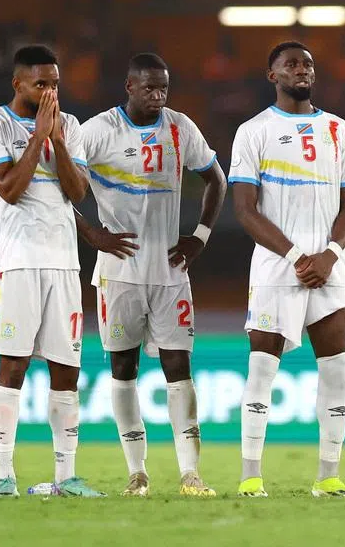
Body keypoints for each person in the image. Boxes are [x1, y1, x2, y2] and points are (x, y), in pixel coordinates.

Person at [76, 53, 227, 497]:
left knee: (178, 367)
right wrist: (92, 234)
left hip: (170, 272)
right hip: (119, 273)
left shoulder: (180, 126)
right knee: (124, 367)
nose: (158, 95)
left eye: (164, 87)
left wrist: (200, 235)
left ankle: (190, 474)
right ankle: (136, 472)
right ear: (129, 85)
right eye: (149, 88)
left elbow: (216, 179)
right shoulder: (99, 131)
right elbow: (60, 182)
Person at [228, 41, 345, 498]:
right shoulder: (253, 131)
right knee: (262, 371)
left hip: (330, 267)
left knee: (337, 372)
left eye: (308, 63)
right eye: (291, 64)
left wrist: (329, 253)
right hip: (276, 266)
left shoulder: (339, 130)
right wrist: (295, 256)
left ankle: (328, 476)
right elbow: (244, 209)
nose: (302, 69)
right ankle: (251, 476)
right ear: (273, 76)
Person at [0, 44, 102, 498]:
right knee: (14, 364)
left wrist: (58, 140)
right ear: (18, 83)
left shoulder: (72, 127)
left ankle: (65, 478)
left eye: (55, 84)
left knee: (67, 370)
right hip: (18, 260)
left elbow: (78, 192)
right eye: (40, 83)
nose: (49, 91)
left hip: (64, 261)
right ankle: (4, 474)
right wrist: (36, 136)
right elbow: (7, 189)